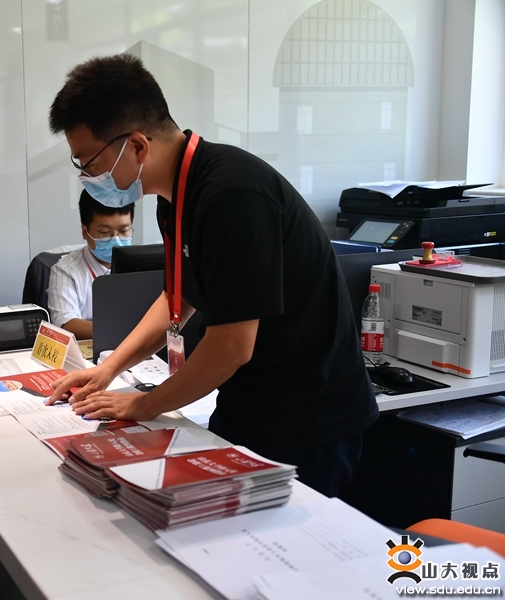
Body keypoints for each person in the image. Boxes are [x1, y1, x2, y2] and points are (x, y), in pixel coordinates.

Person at [45, 54, 377, 497]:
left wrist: (144, 404)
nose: (88, 176)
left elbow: (232, 347)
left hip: (306, 418)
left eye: (89, 163)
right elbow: (177, 297)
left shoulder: (232, 195)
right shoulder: (175, 196)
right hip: (247, 403)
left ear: (138, 146)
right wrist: (108, 369)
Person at [47, 190, 134, 340]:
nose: (115, 239)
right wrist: (123, 331)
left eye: (123, 230)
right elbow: (67, 323)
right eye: (104, 232)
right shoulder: (65, 271)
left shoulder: (143, 264)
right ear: (84, 231)